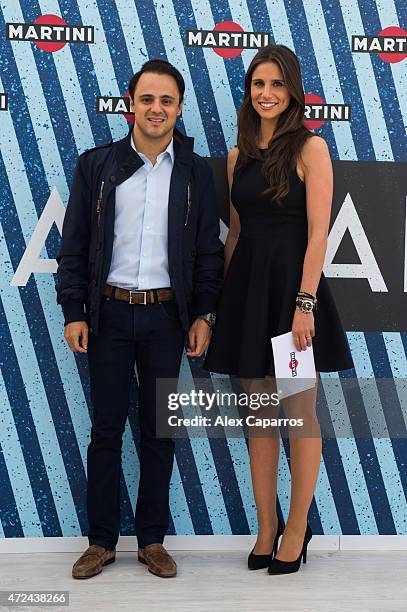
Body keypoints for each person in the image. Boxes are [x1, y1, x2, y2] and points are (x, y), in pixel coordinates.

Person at [56, 59, 223, 579]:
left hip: (166, 320)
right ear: (130, 103)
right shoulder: (97, 166)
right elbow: (75, 248)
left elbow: (207, 256)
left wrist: (204, 314)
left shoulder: (195, 172)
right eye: (147, 99)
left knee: (158, 434)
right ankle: (100, 542)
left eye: (167, 101)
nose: (156, 109)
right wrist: (74, 311)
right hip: (106, 317)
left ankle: (152, 540)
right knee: (105, 432)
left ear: (178, 108)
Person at [204, 44, 353, 575]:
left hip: (294, 299)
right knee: (260, 418)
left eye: (276, 85)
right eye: (257, 85)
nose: (265, 94)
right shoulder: (236, 155)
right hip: (247, 295)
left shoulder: (310, 149)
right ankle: (265, 527)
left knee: (298, 415)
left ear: (292, 91)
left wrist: (304, 306)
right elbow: (237, 234)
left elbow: (318, 235)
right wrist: (221, 303)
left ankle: (297, 528)